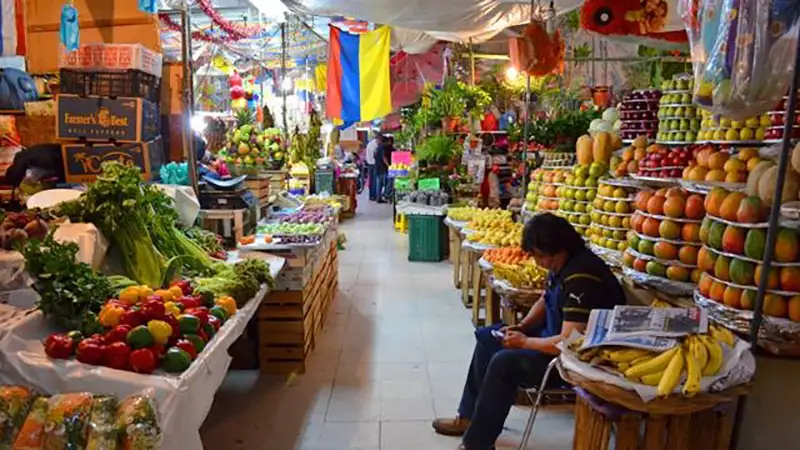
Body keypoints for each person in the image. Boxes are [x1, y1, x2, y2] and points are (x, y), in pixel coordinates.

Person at [432, 213, 626, 450]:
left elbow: (567, 342)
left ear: (558, 248)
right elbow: (546, 299)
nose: (537, 263)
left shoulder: (582, 277)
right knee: (488, 338)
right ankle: (468, 417)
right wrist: (522, 327)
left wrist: (524, 343)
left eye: (539, 256)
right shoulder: (563, 264)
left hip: (575, 359)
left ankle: (477, 443)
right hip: (551, 338)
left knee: (504, 363)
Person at [374, 135, 391, 203]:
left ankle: (378, 198)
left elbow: (375, 155)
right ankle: (385, 195)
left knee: (379, 184)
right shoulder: (383, 147)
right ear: (385, 142)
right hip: (382, 168)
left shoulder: (378, 147)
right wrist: (388, 165)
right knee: (387, 182)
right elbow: (384, 157)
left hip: (378, 167)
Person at [365, 132, 380, 201]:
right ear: (378, 138)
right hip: (373, 164)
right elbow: (375, 155)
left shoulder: (370, 144)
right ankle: (373, 196)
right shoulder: (374, 145)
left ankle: (372, 196)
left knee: (372, 181)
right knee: (374, 181)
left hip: (370, 164)